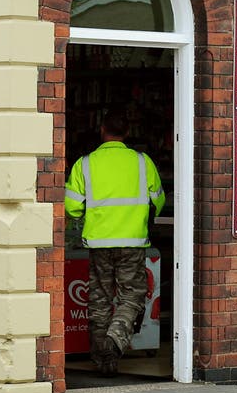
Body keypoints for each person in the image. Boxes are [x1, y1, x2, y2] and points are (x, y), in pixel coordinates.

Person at [64, 111, 166, 376]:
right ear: (127, 132)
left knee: (98, 299)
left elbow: (72, 207)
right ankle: (115, 339)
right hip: (132, 241)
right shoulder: (143, 162)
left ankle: (104, 360)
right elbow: (159, 201)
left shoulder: (85, 164)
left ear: (101, 130)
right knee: (131, 295)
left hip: (98, 243)